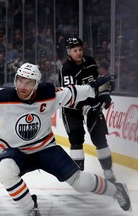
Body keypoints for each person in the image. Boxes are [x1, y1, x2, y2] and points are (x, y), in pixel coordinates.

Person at [0, 63, 131, 215]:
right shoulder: (2, 98)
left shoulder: (48, 94)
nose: (23, 86)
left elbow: (73, 92)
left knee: (80, 183)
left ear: (36, 85)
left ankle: (117, 190)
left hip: (46, 149)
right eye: (20, 80)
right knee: (5, 171)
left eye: (29, 82)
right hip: (15, 151)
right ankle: (30, 209)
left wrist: (93, 88)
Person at [59, 37, 116, 183]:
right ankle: (78, 176)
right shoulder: (67, 69)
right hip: (71, 107)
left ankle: (109, 173)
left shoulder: (90, 61)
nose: (78, 53)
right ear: (69, 52)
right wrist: (84, 108)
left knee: (100, 138)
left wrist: (104, 95)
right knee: (76, 138)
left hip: (91, 103)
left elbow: (98, 84)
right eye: (75, 50)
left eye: (80, 49)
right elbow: (69, 96)